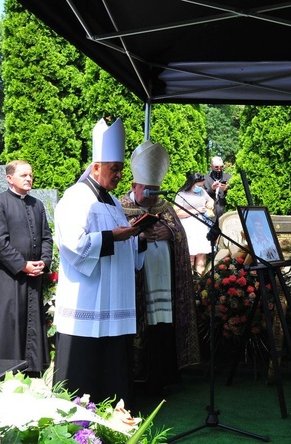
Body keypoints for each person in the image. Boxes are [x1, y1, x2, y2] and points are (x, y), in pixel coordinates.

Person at [52, 118, 145, 408]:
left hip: (113, 303)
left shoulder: (114, 203)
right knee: (84, 369)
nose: (118, 175)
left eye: (120, 169)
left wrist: (137, 236)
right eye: (113, 169)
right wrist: (112, 237)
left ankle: (115, 416)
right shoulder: (75, 197)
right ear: (95, 167)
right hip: (87, 300)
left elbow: (122, 242)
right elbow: (71, 243)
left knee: (113, 360)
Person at [120, 140, 200, 394]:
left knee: (164, 326)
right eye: (147, 189)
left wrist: (169, 232)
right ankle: (141, 378)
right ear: (134, 186)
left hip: (165, 281)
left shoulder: (164, 208)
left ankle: (166, 377)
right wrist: (140, 236)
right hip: (140, 282)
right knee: (146, 327)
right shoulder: (120, 207)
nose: (152, 195)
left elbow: (180, 236)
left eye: (156, 189)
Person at [0, 160, 53, 375]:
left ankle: (31, 369)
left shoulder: (37, 205)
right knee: (7, 324)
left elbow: (46, 237)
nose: (29, 178)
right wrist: (22, 265)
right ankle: (3, 372)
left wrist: (44, 261)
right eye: (23, 175)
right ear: (9, 178)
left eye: (30, 175)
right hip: (7, 276)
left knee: (30, 322)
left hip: (33, 277)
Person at [174, 173, 215, 276]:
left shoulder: (202, 192)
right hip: (188, 226)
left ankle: (201, 281)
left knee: (201, 254)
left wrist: (210, 203)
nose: (200, 188)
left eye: (202, 186)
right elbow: (177, 213)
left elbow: (210, 199)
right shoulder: (181, 195)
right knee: (190, 256)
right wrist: (195, 211)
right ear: (191, 184)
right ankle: (190, 280)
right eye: (198, 186)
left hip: (201, 225)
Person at [203, 156, 231, 220]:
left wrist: (226, 190)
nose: (219, 169)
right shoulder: (205, 179)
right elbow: (201, 195)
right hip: (210, 214)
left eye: (221, 167)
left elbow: (233, 195)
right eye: (216, 167)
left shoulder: (228, 177)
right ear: (211, 166)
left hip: (224, 213)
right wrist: (212, 189)